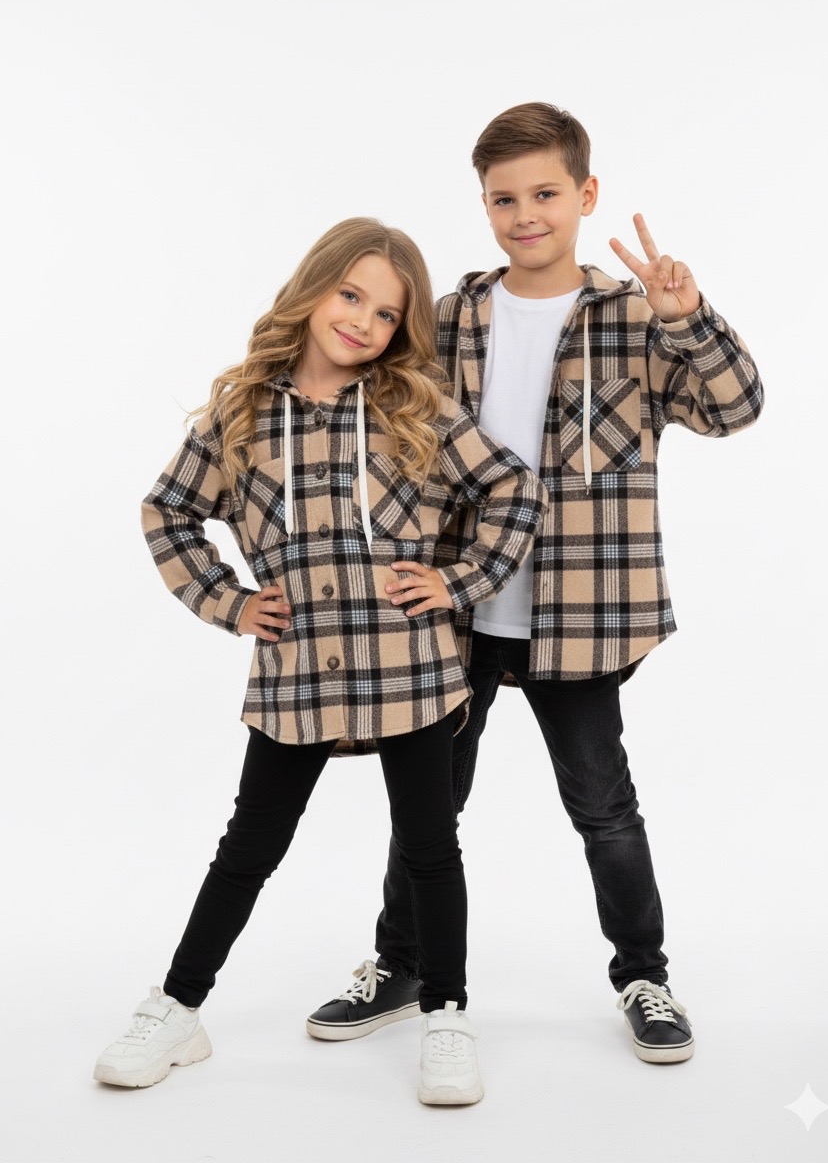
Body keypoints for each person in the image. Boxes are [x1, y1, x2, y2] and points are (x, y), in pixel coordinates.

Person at [306, 105, 764, 1064]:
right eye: (503, 199)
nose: (525, 215)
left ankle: (643, 975)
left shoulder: (634, 317)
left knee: (603, 806)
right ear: (484, 205)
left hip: (584, 614)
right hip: (453, 608)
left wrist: (687, 317)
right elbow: (367, 409)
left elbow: (734, 409)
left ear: (585, 195)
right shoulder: (450, 318)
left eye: (546, 194)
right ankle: (400, 965)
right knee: (429, 805)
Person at [92, 218, 547, 1104]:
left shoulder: (413, 408)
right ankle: (177, 1009)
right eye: (350, 296)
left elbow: (512, 489)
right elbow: (168, 510)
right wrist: (229, 602)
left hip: (409, 669)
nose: (363, 323)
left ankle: (446, 1012)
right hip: (296, 674)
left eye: (386, 314)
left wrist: (457, 582)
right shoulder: (240, 414)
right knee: (248, 847)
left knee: (429, 846)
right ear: (313, 289)